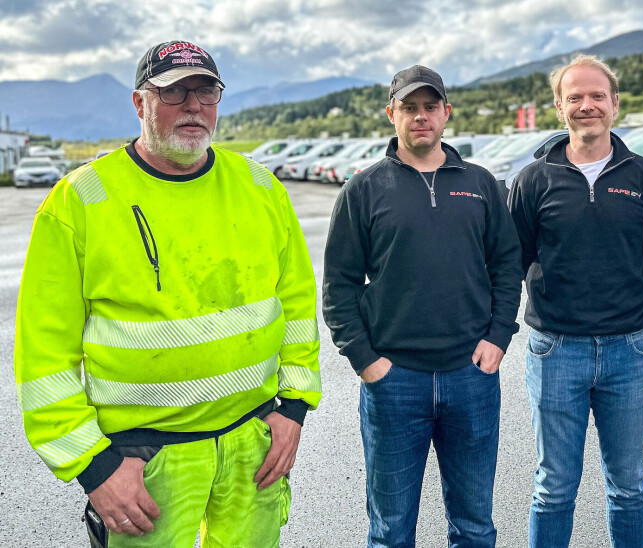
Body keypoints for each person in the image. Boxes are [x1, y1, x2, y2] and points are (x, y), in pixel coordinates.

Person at [14, 40, 322, 547]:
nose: (194, 106)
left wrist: (292, 411)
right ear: (140, 103)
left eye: (206, 91)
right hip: (144, 462)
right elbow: (44, 356)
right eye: (174, 92)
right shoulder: (81, 200)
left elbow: (296, 311)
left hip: (253, 448)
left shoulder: (261, 189)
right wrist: (93, 467)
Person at [322, 65, 522, 547]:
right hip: (395, 383)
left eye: (430, 107)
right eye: (409, 107)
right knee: (391, 530)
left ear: (446, 113)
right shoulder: (363, 190)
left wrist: (497, 338)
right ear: (392, 114)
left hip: (470, 378)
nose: (420, 117)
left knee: (474, 525)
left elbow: (507, 265)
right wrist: (367, 363)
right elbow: (338, 286)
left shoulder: (481, 183)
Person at [507, 54, 643, 548]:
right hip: (555, 351)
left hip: (630, 350)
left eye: (597, 96)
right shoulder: (533, 180)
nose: (587, 106)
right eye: (575, 97)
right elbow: (516, 257)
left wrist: (622, 294)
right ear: (559, 107)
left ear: (614, 104)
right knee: (553, 487)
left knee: (628, 486)